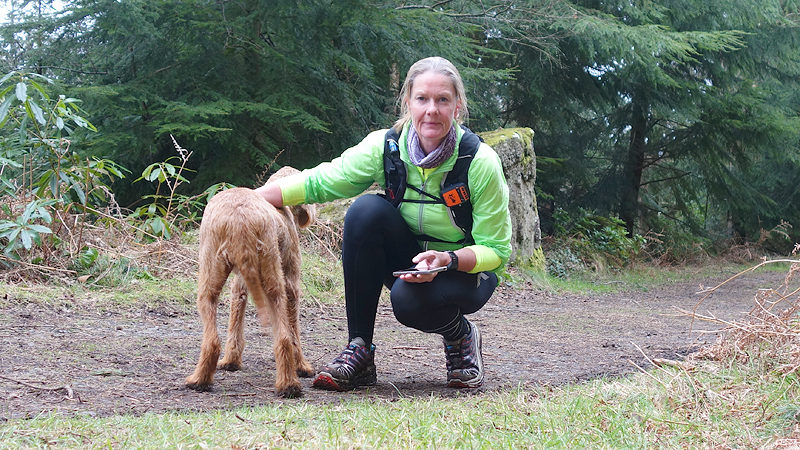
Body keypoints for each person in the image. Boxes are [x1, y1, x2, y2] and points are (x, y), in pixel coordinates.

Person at [256, 56, 512, 391]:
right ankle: (359, 349)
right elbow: (320, 182)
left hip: (465, 271)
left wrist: (446, 259)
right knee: (365, 211)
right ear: (408, 102)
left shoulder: (479, 162)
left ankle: (460, 335)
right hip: (412, 261)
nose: (431, 110)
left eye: (442, 100)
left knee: (407, 300)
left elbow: (496, 251)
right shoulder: (387, 146)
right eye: (422, 99)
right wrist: (251, 197)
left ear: (457, 106)